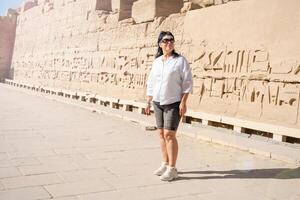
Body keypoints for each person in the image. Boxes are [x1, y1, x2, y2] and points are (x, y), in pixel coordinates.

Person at [145, 31, 193, 181]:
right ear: (160, 44)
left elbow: (187, 82)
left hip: (173, 102)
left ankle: (172, 169)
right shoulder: (157, 61)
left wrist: (183, 102)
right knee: (161, 134)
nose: (169, 43)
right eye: (165, 41)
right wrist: (148, 100)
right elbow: (151, 82)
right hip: (158, 102)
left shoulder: (180, 61)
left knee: (169, 135)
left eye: (171, 40)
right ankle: (165, 163)